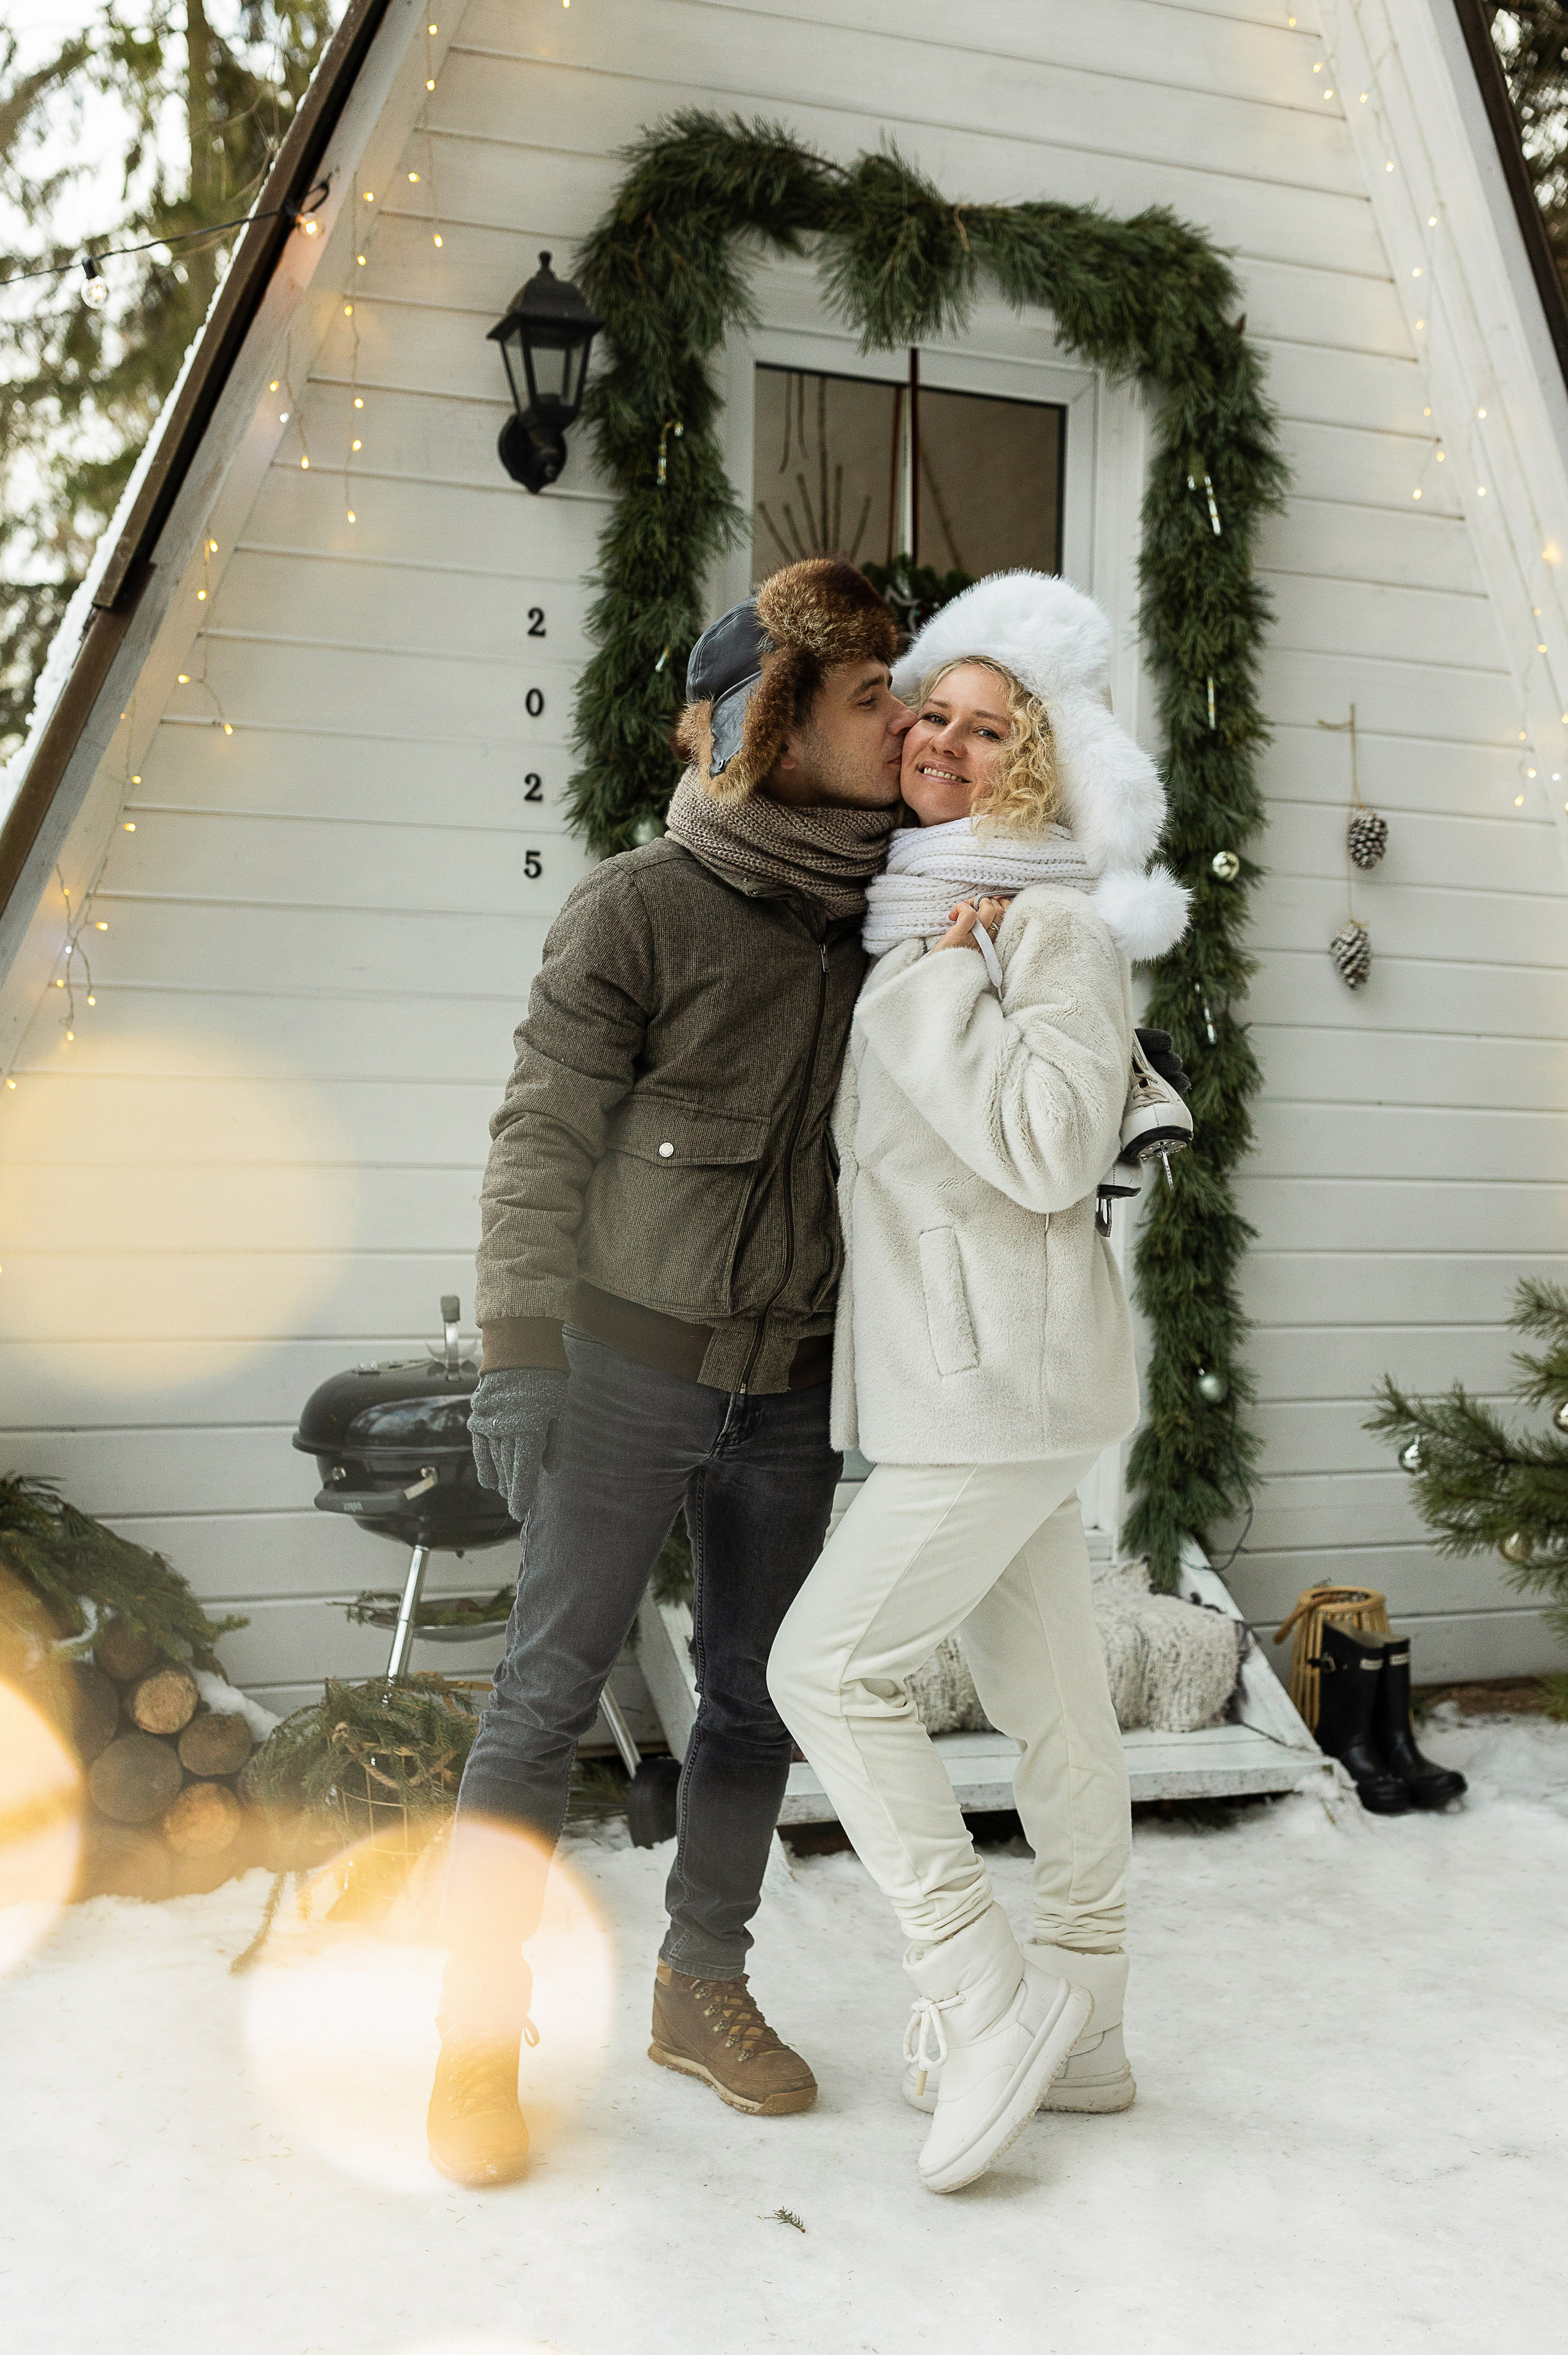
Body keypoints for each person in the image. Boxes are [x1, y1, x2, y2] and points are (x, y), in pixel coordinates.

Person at [427, 558, 912, 2186]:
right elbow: (539, 1130)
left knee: (753, 1702)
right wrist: (515, 1352)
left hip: (789, 1385)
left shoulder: (890, 922)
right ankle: (474, 2029)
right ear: (775, 725)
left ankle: (702, 1984)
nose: (898, 716)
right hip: (622, 1373)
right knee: (541, 1698)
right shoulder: (641, 905)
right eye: (865, 695)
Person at [765, 570, 1191, 2196]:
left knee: (829, 1668)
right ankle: (1082, 2024)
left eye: (982, 725)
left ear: (1035, 759)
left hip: (993, 1384)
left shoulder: (1046, 919)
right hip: (979, 1377)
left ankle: (979, 1985)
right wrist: (927, 961)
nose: (941, 739)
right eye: (928, 711)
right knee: (1055, 1697)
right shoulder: (926, 906)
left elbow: (1046, 1145)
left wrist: (946, 982)